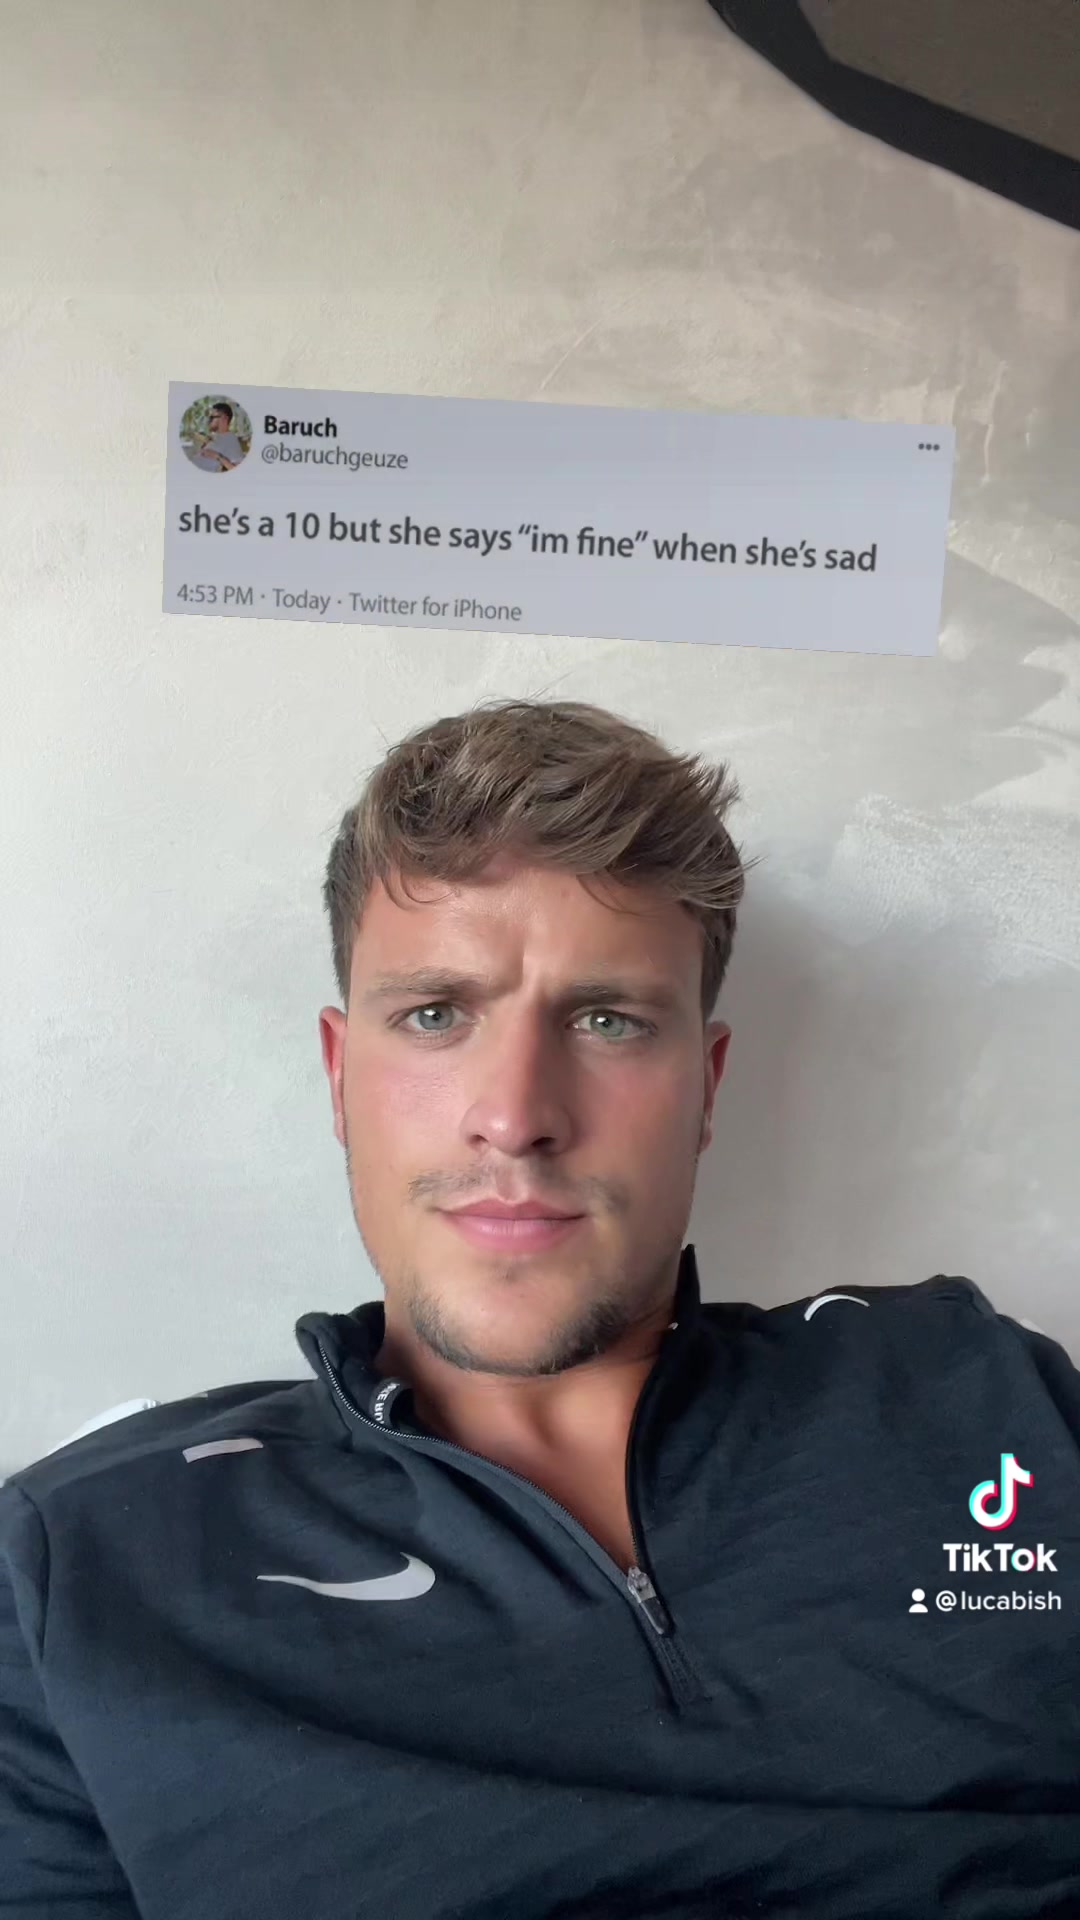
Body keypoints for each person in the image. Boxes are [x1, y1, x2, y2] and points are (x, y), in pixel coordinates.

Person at [2, 697, 1080, 1920]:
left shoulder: (983, 1399)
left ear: (707, 1086)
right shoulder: (82, 1564)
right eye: (435, 1015)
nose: (516, 1116)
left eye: (607, 1019)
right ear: (341, 1076)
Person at [185, 398, 246, 471]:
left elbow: (238, 469)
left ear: (224, 418)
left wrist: (217, 456)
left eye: (212, 417)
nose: (209, 420)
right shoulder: (215, 435)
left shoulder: (231, 439)